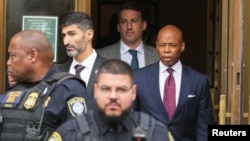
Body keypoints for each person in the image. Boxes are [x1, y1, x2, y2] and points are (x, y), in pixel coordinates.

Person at [0, 29, 95, 140]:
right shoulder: (15, 91)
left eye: (12, 56)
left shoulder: (68, 90)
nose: (8, 62)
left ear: (32, 55)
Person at [48, 59, 169, 141]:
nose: (113, 96)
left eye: (121, 89)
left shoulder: (156, 134)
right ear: (95, 91)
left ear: (133, 93)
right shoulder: (70, 134)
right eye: (106, 89)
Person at [133, 24, 214, 141]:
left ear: (182, 46)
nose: (166, 50)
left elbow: (204, 128)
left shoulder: (198, 81)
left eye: (172, 45)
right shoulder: (139, 78)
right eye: (162, 45)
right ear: (156, 46)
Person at [97, 2, 158, 69]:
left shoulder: (157, 56)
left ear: (144, 25)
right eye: (124, 22)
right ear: (118, 27)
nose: (129, 27)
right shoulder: (101, 56)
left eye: (134, 21)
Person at [58, 11, 107, 95]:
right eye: (64, 35)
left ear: (89, 35)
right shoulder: (59, 72)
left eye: (72, 34)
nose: (65, 41)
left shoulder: (109, 69)